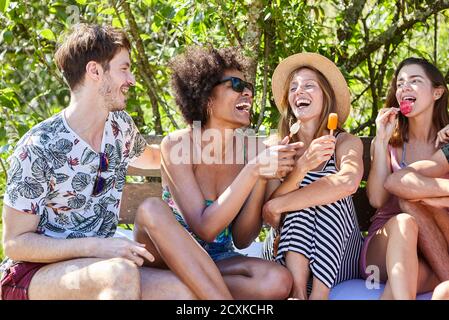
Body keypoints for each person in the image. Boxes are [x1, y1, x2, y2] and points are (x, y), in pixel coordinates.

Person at [0, 24, 233, 300]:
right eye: (124, 68)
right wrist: (99, 246)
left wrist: (218, 134)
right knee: (120, 274)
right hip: (32, 276)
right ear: (95, 71)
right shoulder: (39, 146)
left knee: (183, 292)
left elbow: (158, 158)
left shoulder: (119, 127)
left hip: (103, 263)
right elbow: (15, 243)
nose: (131, 79)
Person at [133, 45, 300, 300]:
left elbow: (243, 239)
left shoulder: (253, 149)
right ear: (207, 97)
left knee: (277, 280)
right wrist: (254, 169)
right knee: (151, 208)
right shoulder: (178, 145)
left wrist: (260, 178)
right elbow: (205, 228)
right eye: (235, 84)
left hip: (217, 260)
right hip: (165, 258)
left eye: (249, 87)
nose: (247, 92)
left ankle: (182, 289)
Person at [261, 52, 364, 300]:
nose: (299, 91)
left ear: (325, 97)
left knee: (329, 192)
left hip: (337, 261)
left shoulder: (345, 142)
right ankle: (298, 293)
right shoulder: (277, 146)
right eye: (293, 87)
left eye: (309, 85)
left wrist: (281, 203)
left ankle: (318, 296)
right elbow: (270, 218)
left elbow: (349, 182)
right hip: (283, 253)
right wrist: (301, 168)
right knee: (308, 198)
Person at [361, 57, 449, 299]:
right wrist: (380, 141)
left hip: (432, 250)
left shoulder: (448, 142)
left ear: (437, 93)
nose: (404, 87)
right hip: (385, 245)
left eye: (415, 80)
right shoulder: (389, 142)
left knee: (413, 286)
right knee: (405, 221)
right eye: (400, 83)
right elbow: (378, 199)